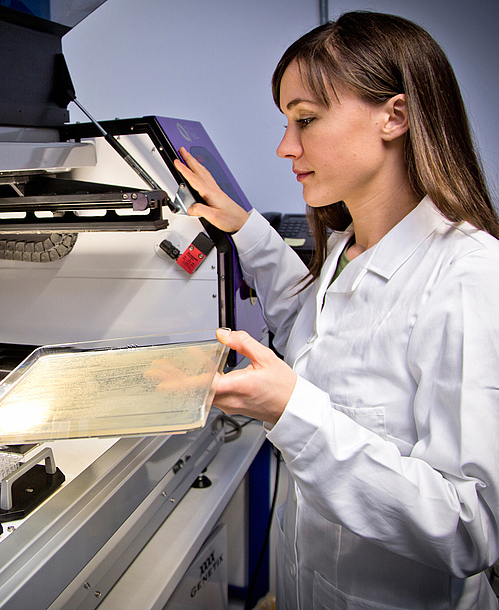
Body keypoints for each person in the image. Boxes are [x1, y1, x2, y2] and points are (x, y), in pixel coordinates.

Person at [174, 11, 499, 610]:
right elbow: (318, 331)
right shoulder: (349, 247)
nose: (284, 147)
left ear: (395, 116)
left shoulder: (470, 276)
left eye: (305, 120)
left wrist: (291, 412)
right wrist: (245, 228)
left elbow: (471, 525)